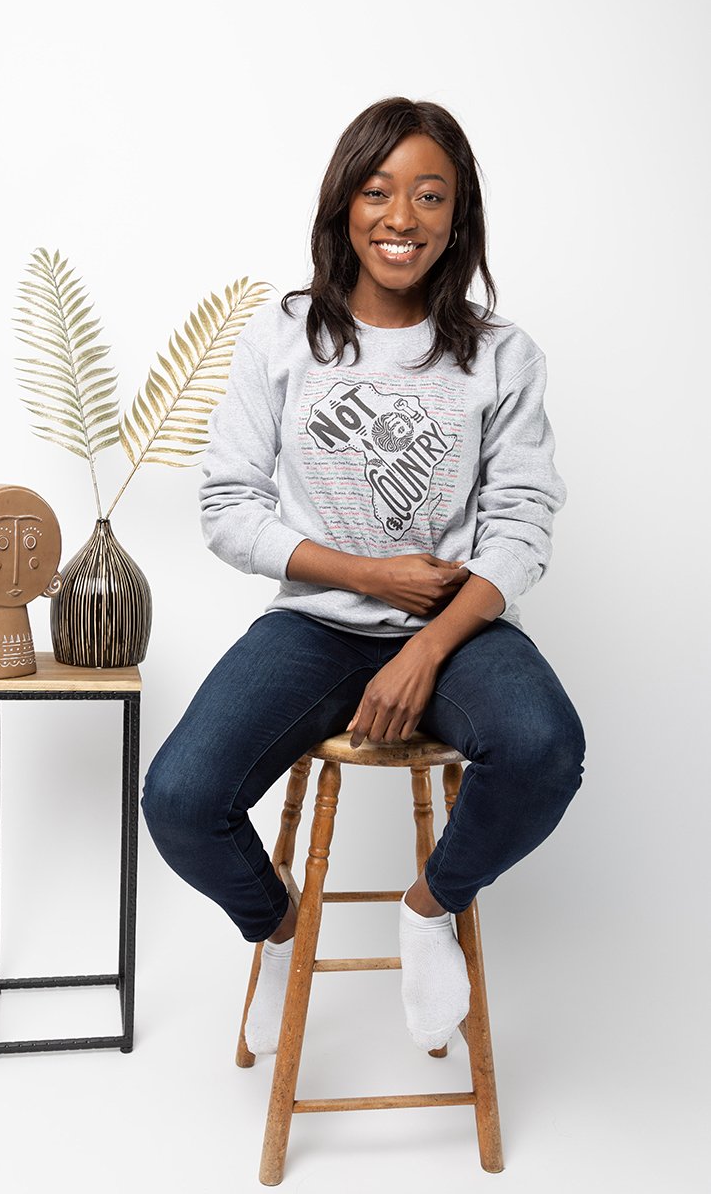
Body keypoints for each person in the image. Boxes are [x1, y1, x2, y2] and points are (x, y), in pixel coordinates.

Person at [141, 97, 585, 1056]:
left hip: (455, 625)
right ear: (343, 202)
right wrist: (370, 576)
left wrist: (425, 649)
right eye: (378, 190)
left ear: (457, 217)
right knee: (179, 798)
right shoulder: (283, 335)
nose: (401, 217)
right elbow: (227, 508)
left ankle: (428, 911)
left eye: (430, 195)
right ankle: (275, 930)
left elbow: (521, 527)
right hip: (314, 624)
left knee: (545, 747)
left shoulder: (502, 355)